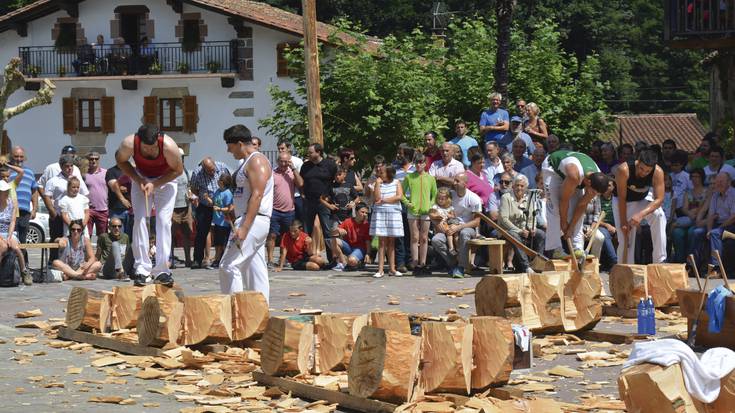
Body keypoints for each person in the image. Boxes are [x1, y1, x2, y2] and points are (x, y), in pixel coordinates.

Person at [116, 123, 183, 286]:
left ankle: (162, 270)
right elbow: (121, 161)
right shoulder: (129, 143)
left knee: (163, 222)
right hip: (141, 178)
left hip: (166, 180)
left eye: (153, 148)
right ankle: (142, 269)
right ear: (138, 140)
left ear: (158, 139)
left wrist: (156, 184)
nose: (150, 151)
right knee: (139, 221)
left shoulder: (169, 146)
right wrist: (139, 180)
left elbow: (178, 170)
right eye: (145, 148)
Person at [218, 125, 273, 302]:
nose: (228, 150)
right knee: (254, 268)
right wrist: (234, 212)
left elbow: (257, 195)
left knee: (228, 265)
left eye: (230, 145)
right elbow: (246, 194)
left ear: (240, 143)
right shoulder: (247, 162)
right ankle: (260, 313)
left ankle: (233, 313)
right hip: (250, 219)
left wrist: (244, 228)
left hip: (254, 221)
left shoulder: (257, 161)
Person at [542, 150, 610, 258]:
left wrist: (570, 229)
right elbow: (563, 201)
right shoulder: (574, 176)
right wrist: (564, 224)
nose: (592, 195)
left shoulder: (597, 179)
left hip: (573, 173)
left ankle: (577, 247)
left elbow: (581, 205)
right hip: (553, 169)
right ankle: (555, 249)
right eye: (592, 192)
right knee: (554, 207)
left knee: (577, 210)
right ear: (588, 182)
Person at [613, 149, 667, 264]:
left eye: (648, 171)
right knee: (625, 240)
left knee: (659, 215)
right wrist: (623, 223)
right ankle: (625, 268)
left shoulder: (658, 172)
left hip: (642, 202)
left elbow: (659, 199)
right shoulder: (623, 170)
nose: (643, 173)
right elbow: (621, 198)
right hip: (622, 203)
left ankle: (660, 261)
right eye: (641, 168)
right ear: (638, 161)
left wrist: (641, 214)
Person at [431, 173, 482, 278]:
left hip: (467, 228)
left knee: (464, 233)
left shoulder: (473, 198)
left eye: (457, 181)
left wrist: (458, 227)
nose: (454, 183)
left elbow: (476, 222)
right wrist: (437, 222)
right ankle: (454, 264)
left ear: (465, 183)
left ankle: (462, 267)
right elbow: (434, 210)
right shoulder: (450, 195)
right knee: (436, 240)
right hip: (449, 227)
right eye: (454, 180)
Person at [43, 154, 89, 261]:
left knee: (75, 241)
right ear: (61, 166)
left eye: (71, 166)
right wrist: (53, 212)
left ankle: (74, 261)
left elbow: (84, 194)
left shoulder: (78, 180)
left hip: (75, 217)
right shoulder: (54, 181)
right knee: (57, 240)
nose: (70, 168)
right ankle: (53, 262)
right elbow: (47, 197)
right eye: (67, 166)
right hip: (59, 216)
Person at [190, 157, 231, 269]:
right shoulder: (197, 172)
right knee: (201, 233)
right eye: (209, 171)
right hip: (205, 206)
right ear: (203, 168)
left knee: (222, 232)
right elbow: (194, 188)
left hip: (221, 206)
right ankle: (198, 259)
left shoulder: (223, 167)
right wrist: (202, 198)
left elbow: (230, 183)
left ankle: (222, 258)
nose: (212, 172)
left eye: (213, 169)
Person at [498, 175, 545, 272]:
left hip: (525, 230)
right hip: (508, 231)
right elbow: (504, 219)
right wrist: (519, 231)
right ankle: (526, 266)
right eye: (517, 185)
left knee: (541, 234)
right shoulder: (506, 198)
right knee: (514, 235)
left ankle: (538, 264)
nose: (519, 188)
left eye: (522, 186)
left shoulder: (529, 198)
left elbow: (533, 216)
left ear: (526, 187)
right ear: (513, 186)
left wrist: (533, 228)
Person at [401, 153, 436, 276]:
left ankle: (423, 262)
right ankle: (415, 262)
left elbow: (434, 194)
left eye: (421, 162)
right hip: (413, 210)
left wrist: (430, 205)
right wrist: (407, 203)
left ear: (425, 164)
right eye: (417, 163)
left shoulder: (430, 178)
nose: (419, 165)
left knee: (424, 237)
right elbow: (401, 193)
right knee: (414, 237)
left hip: (426, 211)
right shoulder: (409, 177)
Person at [267, 151, 302, 266]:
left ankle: (286, 258)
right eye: (281, 161)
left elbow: (301, 184)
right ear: (277, 161)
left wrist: (294, 169)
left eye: (286, 161)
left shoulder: (291, 173)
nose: (283, 164)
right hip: (275, 210)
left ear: (289, 161)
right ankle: (270, 260)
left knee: (287, 236)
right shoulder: (272, 174)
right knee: (272, 235)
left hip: (289, 210)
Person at [370, 165, 404, 278]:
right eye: (379, 172)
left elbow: (399, 196)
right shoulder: (377, 183)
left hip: (393, 214)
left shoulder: (396, 182)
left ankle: (392, 268)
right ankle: (380, 270)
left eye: (382, 172)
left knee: (392, 242)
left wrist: (384, 200)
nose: (380, 174)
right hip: (380, 213)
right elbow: (376, 198)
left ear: (389, 173)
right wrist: (378, 184)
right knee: (381, 242)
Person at [300, 143, 338, 244]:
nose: (309, 154)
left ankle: (332, 258)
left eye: (311, 152)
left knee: (327, 231)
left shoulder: (330, 165)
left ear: (318, 152)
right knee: (306, 230)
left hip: (324, 202)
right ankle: (305, 257)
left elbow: (336, 181)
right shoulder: (306, 166)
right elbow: (301, 182)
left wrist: (332, 199)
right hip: (309, 202)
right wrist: (302, 194)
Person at [672, 168, 708, 265]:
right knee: (677, 232)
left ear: (702, 178)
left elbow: (705, 208)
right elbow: (684, 208)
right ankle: (679, 261)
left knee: (692, 232)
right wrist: (690, 214)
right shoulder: (688, 192)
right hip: (689, 218)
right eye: (693, 176)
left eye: (697, 176)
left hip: (700, 220)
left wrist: (696, 213)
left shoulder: (707, 191)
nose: (695, 179)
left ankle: (691, 263)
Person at [8, 147, 38, 252]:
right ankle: (11, 266)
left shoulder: (29, 172)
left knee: (23, 240)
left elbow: (34, 192)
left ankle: (24, 265)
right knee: (11, 239)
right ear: (11, 157)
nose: (19, 159)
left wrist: (34, 209)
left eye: (21, 156)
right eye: (16, 156)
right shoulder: (7, 171)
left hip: (25, 211)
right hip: (10, 211)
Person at [0, 180, 30, 284]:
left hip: (9, 232)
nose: (6, 193)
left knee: (16, 248)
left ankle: (24, 272)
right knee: (3, 247)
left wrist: (9, 236)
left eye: (6, 191)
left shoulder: (11, 204)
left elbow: (12, 221)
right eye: (3, 191)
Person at [170, 148, 193, 269]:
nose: (182, 160)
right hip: (173, 208)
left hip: (186, 207)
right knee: (171, 235)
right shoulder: (170, 171)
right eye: (180, 157)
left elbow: (188, 186)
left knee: (187, 234)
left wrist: (190, 194)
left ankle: (188, 259)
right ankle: (170, 260)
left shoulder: (185, 171)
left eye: (183, 157)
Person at [707, 172, 735, 269]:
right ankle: (694, 266)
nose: (718, 184)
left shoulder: (733, 194)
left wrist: (718, 229)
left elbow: (733, 217)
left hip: (731, 225)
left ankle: (716, 268)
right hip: (718, 224)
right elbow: (711, 215)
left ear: (729, 182)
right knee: (697, 232)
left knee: (715, 233)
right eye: (717, 182)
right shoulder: (715, 195)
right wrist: (709, 230)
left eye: (721, 181)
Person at [210, 174, 234, 268]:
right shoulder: (218, 191)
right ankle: (218, 258)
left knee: (222, 242)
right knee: (217, 242)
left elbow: (230, 208)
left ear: (223, 182)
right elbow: (215, 202)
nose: (218, 181)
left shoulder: (227, 193)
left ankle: (221, 259)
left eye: (220, 180)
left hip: (224, 222)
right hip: (217, 221)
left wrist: (219, 209)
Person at [278, 140, 305, 222]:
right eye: (279, 149)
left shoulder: (297, 161)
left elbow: (301, 179)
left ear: (289, 148)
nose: (280, 151)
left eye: (282, 148)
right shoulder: (279, 162)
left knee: (301, 220)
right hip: (285, 197)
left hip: (297, 195)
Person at [83, 151, 108, 237]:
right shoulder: (84, 174)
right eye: (91, 159)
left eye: (96, 159)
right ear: (88, 160)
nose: (94, 161)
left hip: (103, 209)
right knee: (87, 235)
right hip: (88, 210)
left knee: (103, 237)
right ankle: (87, 251)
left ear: (99, 160)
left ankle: (100, 251)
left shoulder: (106, 173)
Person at [431, 188, 460, 256]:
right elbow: (432, 214)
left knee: (455, 233)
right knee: (449, 232)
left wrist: (449, 215)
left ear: (447, 199)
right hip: (442, 225)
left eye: (442, 199)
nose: (440, 200)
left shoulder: (449, 207)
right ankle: (451, 248)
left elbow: (454, 216)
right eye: (439, 198)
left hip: (449, 223)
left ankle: (458, 248)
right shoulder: (436, 207)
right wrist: (437, 216)